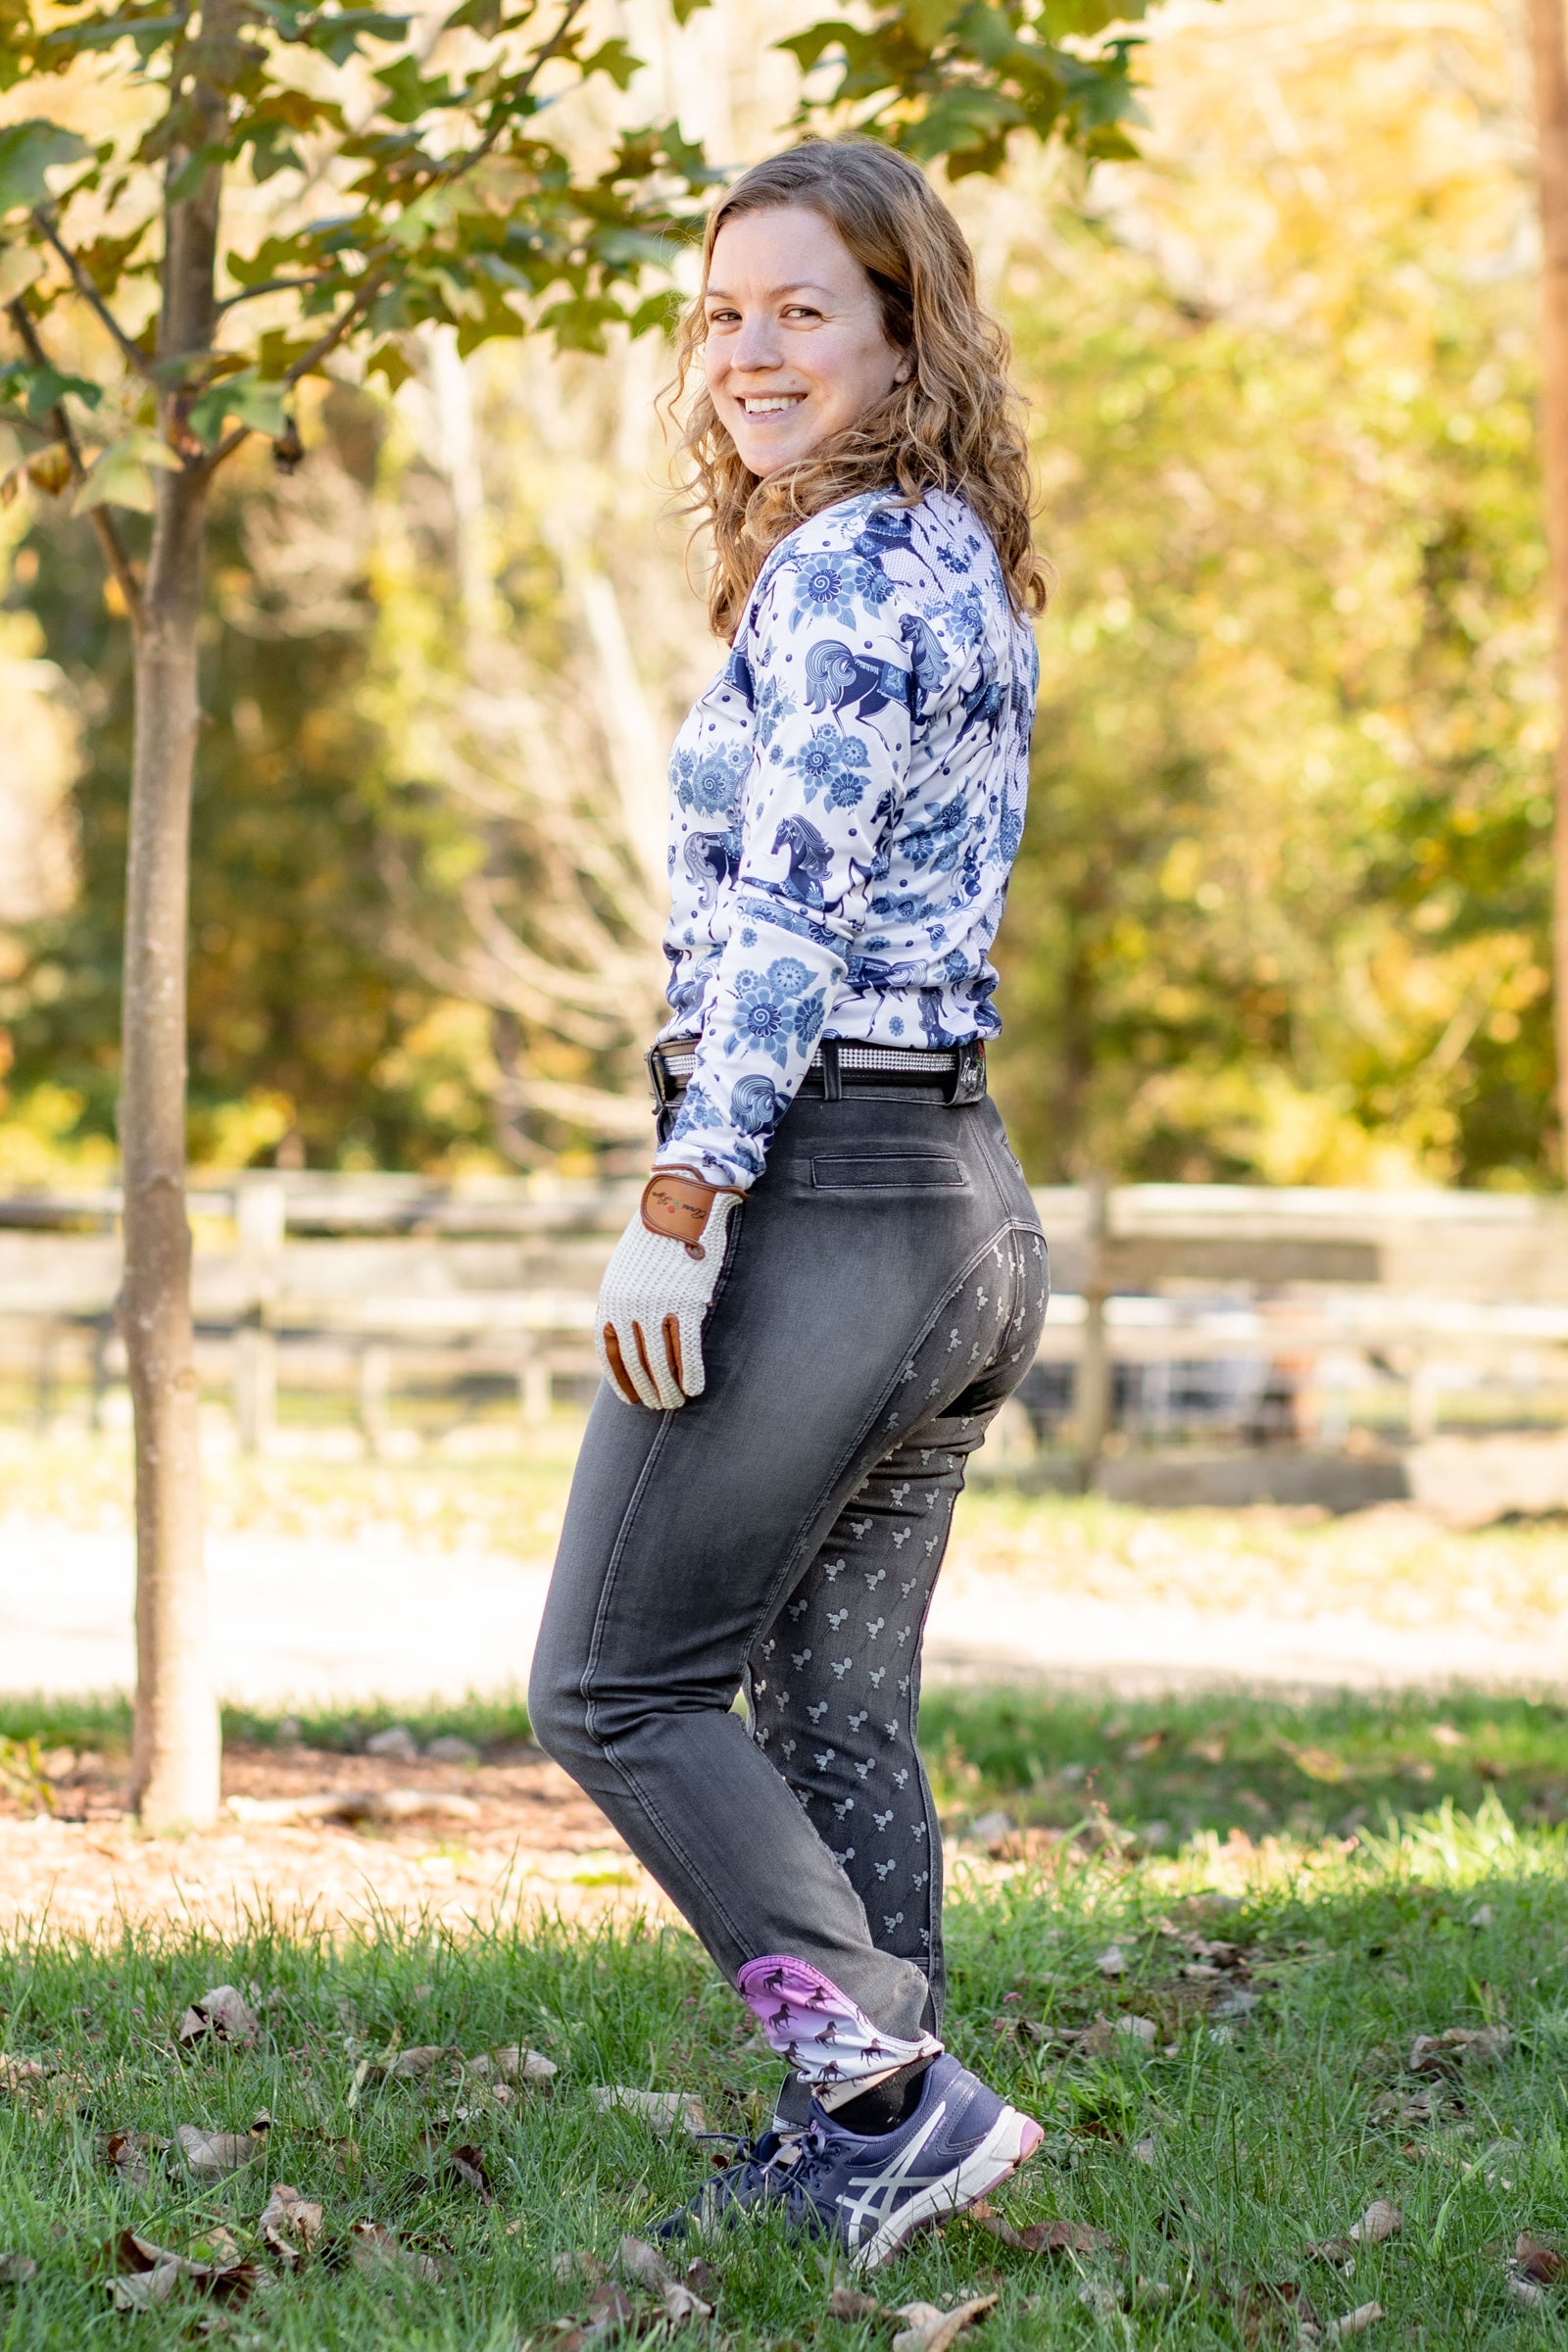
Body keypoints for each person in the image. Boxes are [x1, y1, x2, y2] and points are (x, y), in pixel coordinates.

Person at [529, 137, 1052, 2272]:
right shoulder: (954, 556)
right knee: (831, 1706)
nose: (747, 351)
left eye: (800, 311)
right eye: (722, 313)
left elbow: (787, 921)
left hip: (826, 1187)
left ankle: (886, 2099)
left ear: (902, 335)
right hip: (956, 1204)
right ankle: (873, 2148)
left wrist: (683, 1192)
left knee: (612, 1686)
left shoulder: (842, 573)